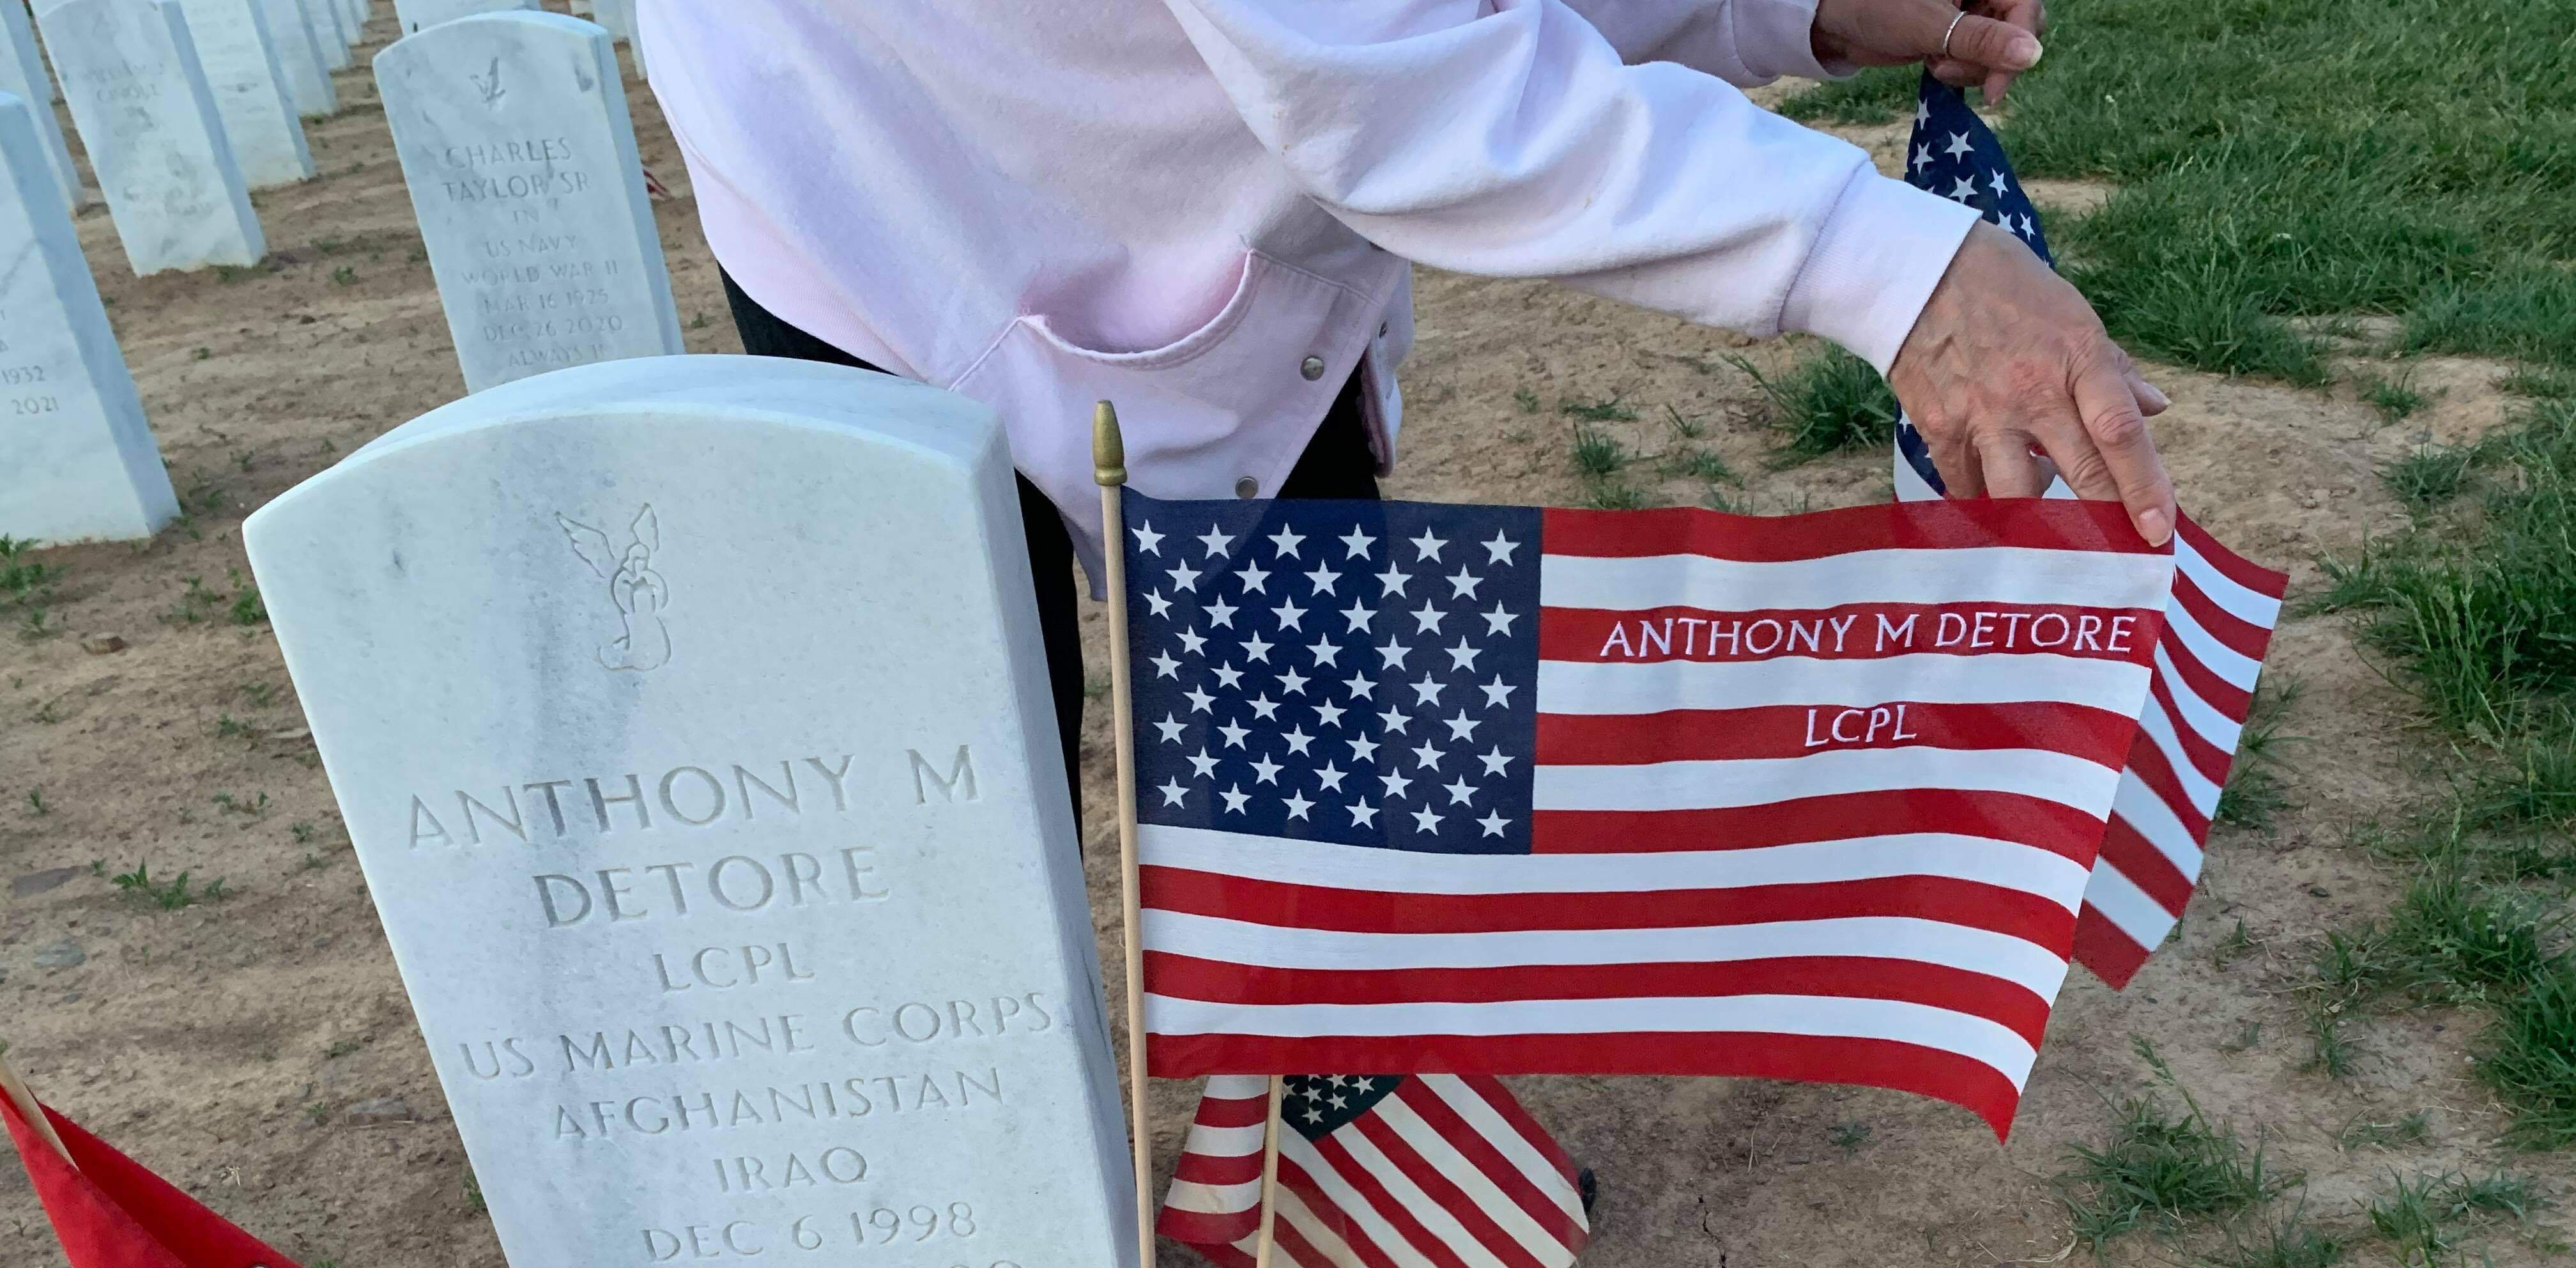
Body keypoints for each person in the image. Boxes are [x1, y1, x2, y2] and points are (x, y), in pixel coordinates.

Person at [638, 0, 2170, 804]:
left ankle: (1335, 1072)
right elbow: (1409, 95)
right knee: (969, 740)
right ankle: (991, 1221)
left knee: (1296, 620)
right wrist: (1896, 271)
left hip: (1194, 153)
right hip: (880, 170)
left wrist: (1782, 2)